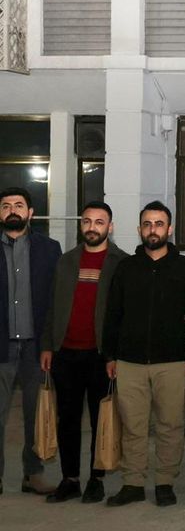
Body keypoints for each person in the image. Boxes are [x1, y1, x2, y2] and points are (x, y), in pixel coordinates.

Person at [100, 200, 185, 508]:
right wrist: (110, 356)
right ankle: (133, 483)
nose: (152, 229)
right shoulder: (125, 267)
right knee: (133, 426)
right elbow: (113, 313)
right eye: (147, 224)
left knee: (170, 425)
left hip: (172, 361)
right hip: (129, 361)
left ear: (169, 229)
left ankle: (165, 482)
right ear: (139, 229)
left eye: (159, 224)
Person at [40, 201, 127, 503]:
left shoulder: (121, 263)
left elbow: (123, 314)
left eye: (99, 222)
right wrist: (47, 345)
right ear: (81, 225)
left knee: (101, 420)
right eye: (87, 221)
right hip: (65, 353)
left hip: (101, 356)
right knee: (67, 418)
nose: (92, 227)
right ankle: (70, 478)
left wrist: (115, 355)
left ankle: (96, 479)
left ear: (110, 227)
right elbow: (52, 306)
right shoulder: (66, 261)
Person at [0, 187, 61, 497]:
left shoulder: (49, 249)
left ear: (30, 213)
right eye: (6, 206)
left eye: (18, 205)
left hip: (36, 349)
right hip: (2, 348)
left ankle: (33, 474)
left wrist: (50, 344)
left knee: (35, 415)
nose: (12, 210)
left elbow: (55, 301)